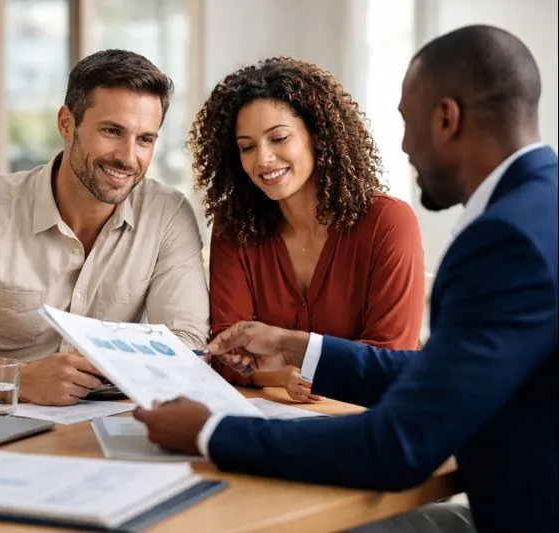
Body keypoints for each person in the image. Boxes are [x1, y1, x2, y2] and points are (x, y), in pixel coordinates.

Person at [135, 25, 557, 533]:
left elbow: (396, 446)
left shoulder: (506, 240)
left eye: (408, 123)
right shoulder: (538, 212)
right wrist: (297, 347)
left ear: (447, 119)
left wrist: (212, 432)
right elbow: (437, 373)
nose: (404, 145)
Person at [0, 49, 209, 406]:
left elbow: (188, 344)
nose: (129, 157)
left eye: (145, 139)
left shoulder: (168, 215)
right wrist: (23, 379)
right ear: (66, 124)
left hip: (109, 419)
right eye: (112, 131)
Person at [190, 58, 425, 403]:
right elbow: (227, 353)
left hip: (369, 418)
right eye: (247, 147)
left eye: (279, 138)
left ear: (318, 135)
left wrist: (287, 361)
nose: (263, 159)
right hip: (273, 411)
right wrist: (280, 376)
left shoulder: (388, 222)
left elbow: (390, 358)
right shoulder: (235, 225)